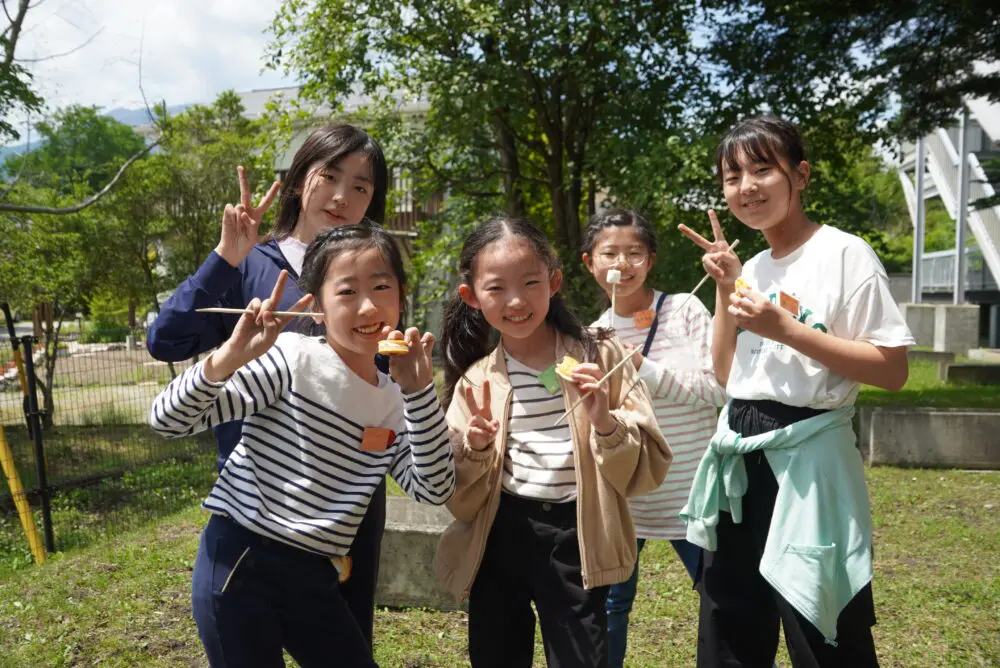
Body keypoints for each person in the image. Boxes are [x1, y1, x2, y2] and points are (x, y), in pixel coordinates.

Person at [150, 222, 455, 667]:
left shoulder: (396, 399)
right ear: (317, 309)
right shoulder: (292, 358)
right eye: (347, 292)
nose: (368, 306)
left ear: (401, 295)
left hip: (316, 576)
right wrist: (229, 358)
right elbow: (167, 421)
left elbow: (434, 489)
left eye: (381, 286)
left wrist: (419, 392)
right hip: (240, 563)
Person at [678, 115, 914, 667]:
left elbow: (892, 368)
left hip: (810, 456)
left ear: (800, 175)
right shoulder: (754, 267)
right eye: (732, 176)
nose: (746, 187)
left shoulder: (844, 254)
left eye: (763, 169)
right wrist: (726, 286)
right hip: (739, 454)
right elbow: (725, 373)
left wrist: (786, 329)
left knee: (821, 622)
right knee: (730, 621)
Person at [145, 123, 391, 645]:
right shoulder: (254, 264)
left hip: (348, 502)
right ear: (301, 179)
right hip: (260, 505)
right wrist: (225, 257)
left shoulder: (375, 277)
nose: (343, 196)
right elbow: (166, 341)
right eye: (330, 175)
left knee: (347, 639)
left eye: (362, 185)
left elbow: (380, 384)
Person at [432, 215, 673, 668]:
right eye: (496, 287)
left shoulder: (600, 356)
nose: (516, 301)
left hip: (578, 535)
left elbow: (645, 469)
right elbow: (459, 497)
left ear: (554, 281)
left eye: (529, 282)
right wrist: (477, 448)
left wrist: (604, 420)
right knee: (497, 653)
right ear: (472, 296)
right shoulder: (476, 379)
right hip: (499, 534)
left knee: (581, 655)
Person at [582, 207, 727, 668]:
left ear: (651, 260)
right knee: (610, 606)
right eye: (609, 254)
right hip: (627, 496)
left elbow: (719, 390)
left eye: (634, 253)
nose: (620, 264)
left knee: (720, 601)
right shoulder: (589, 337)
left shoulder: (685, 309)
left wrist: (646, 368)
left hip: (693, 492)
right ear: (590, 263)